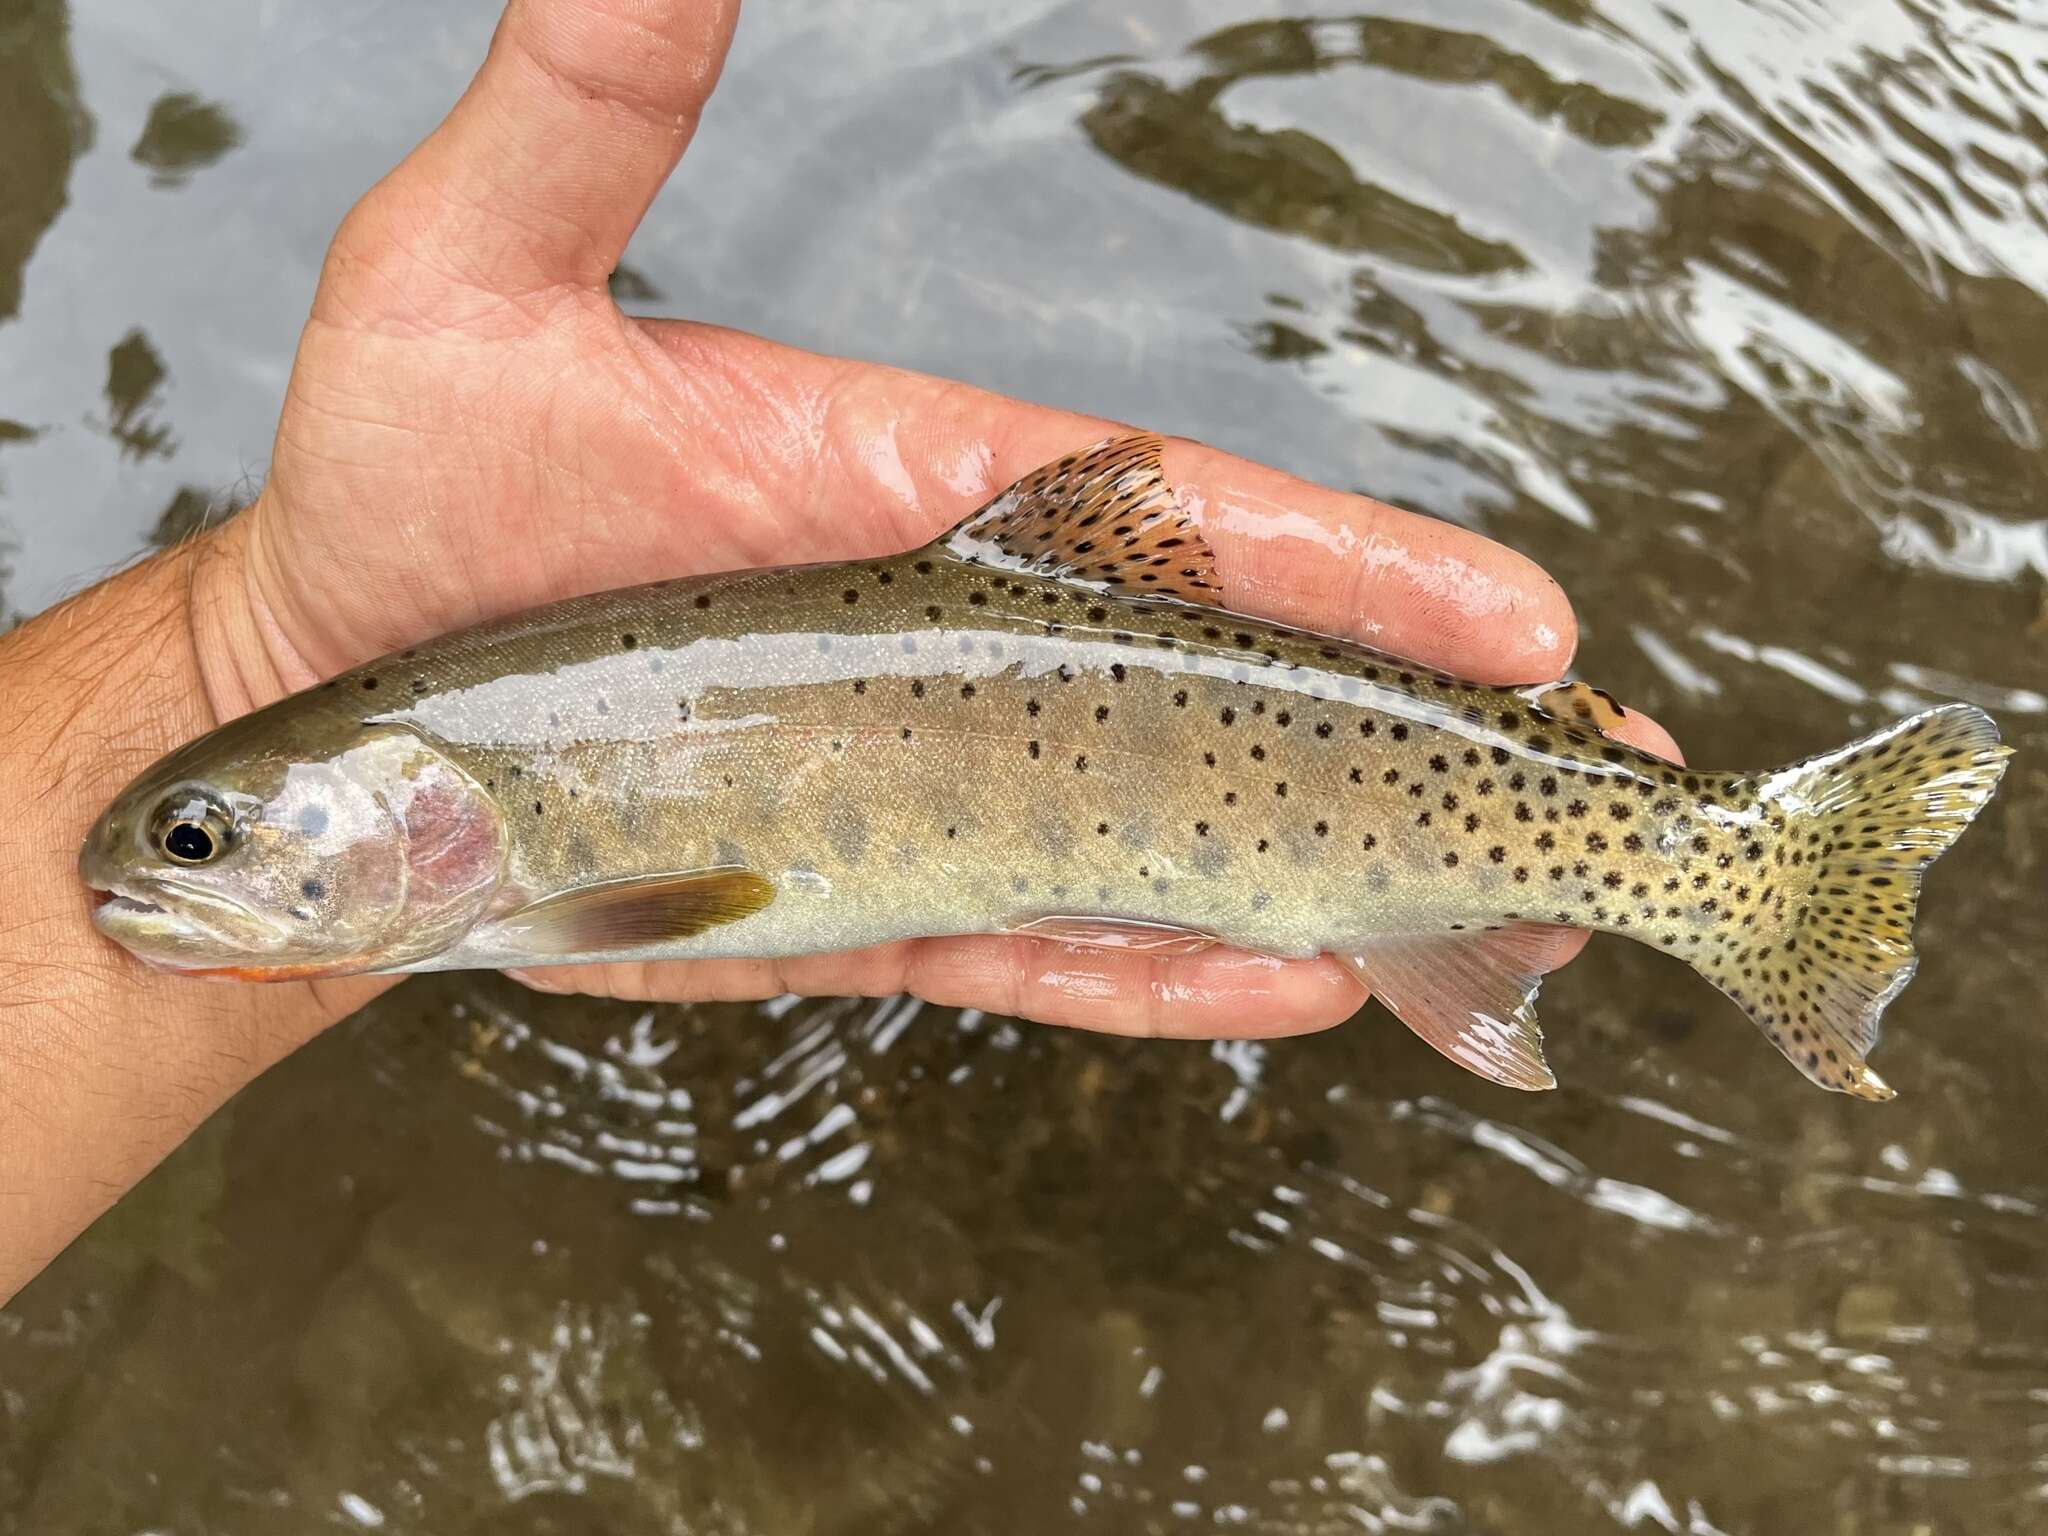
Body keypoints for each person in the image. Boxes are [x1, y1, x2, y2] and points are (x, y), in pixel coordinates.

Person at [0, 0, 1677, 1304]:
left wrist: (246, 660)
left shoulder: (513, 854)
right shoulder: (471, 823)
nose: (159, 867)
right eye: (196, 839)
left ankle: (1698, 868)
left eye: (195, 835)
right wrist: (245, 655)